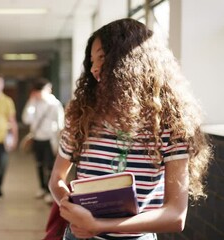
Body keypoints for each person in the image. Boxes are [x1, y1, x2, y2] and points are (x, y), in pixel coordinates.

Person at [48, 18, 211, 240]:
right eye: (91, 61)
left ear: (130, 60)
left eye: (102, 58)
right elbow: (57, 178)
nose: (94, 68)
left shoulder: (170, 125)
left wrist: (98, 225)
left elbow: (175, 215)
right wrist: (70, 207)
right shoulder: (82, 116)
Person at [22, 78, 64, 204]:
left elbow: (60, 123)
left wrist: (58, 142)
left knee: (50, 166)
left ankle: (49, 191)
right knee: (39, 164)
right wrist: (30, 101)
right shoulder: (34, 102)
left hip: (50, 140)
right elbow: (26, 119)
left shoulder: (54, 104)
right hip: (37, 138)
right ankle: (42, 188)